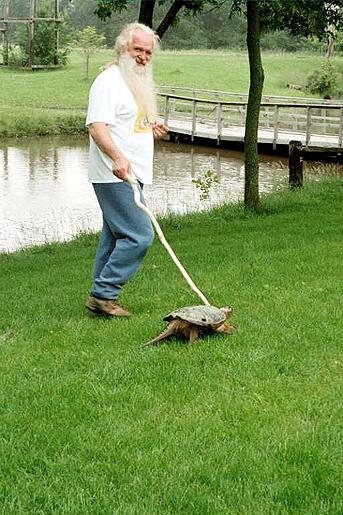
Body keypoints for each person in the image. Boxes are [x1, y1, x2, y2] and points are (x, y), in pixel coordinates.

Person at [85, 23, 168, 317]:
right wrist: (118, 158)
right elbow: (97, 127)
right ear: (123, 48)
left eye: (148, 52)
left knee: (116, 237)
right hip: (114, 173)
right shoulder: (109, 81)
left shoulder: (134, 82)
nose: (143, 56)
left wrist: (150, 127)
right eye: (138, 50)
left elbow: (127, 122)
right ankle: (104, 294)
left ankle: (100, 296)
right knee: (139, 235)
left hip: (133, 174)